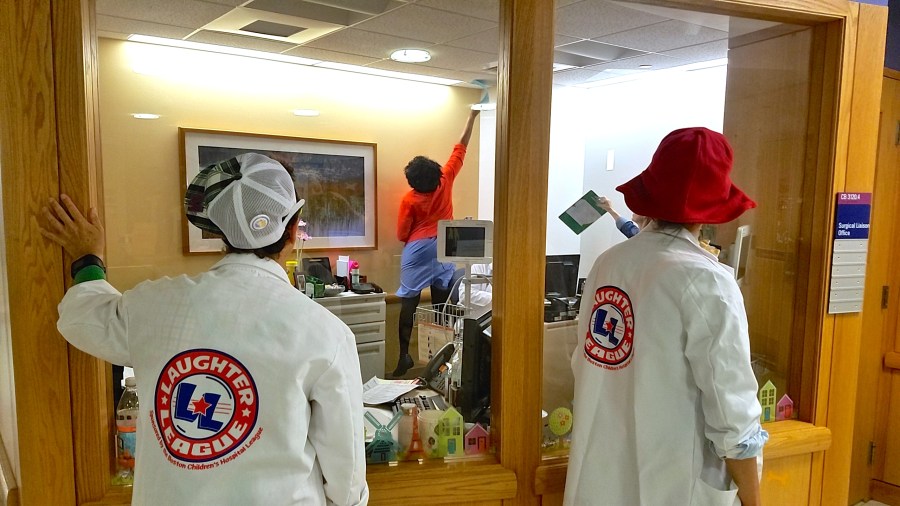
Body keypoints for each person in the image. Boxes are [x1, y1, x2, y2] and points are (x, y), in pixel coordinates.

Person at [39, 153, 369, 505]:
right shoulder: (325, 333)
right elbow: (346, 477)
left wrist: (87, 258)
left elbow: (83, 316)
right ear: (293, 228)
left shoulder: (155, 307)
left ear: (219, 231)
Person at [565, 128, 767, 506]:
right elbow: (732, 413)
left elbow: (586, 364)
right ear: (712, 209)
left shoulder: (608, 264)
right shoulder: (707, 280)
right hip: (675, 485)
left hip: (599, 479)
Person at [393, 108, 480, 377]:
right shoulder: (446, 179)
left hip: (418, 249)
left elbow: (402, 234)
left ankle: (404, 356)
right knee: (441, 304)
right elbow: (461, 147)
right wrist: (472, 116)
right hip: (445, 245)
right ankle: (444, 357)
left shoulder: (410, 199)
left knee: (409, 301)